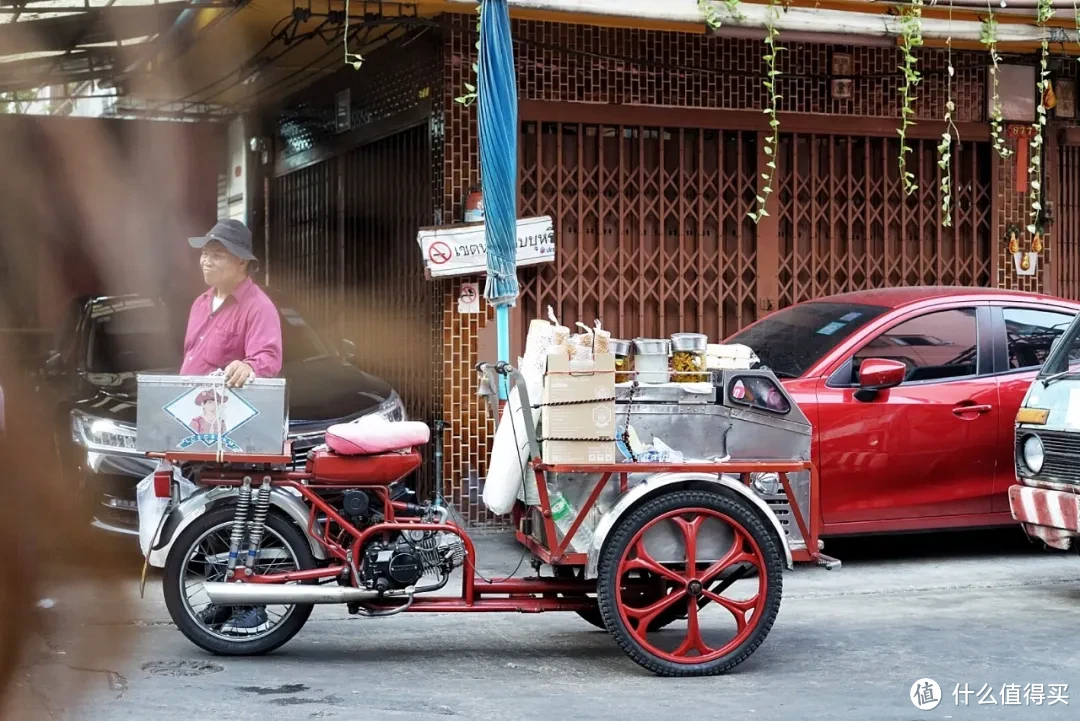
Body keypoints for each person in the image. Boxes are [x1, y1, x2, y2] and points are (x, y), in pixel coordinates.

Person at [181, 218, 282, 385]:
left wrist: (249, 367)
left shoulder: (258, 307)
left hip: (223, 406)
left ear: (242, 262)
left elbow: (268, 357)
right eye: (205, 254)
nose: (206, 262)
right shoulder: (200, 303)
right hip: (189, 404)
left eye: (217, 256)